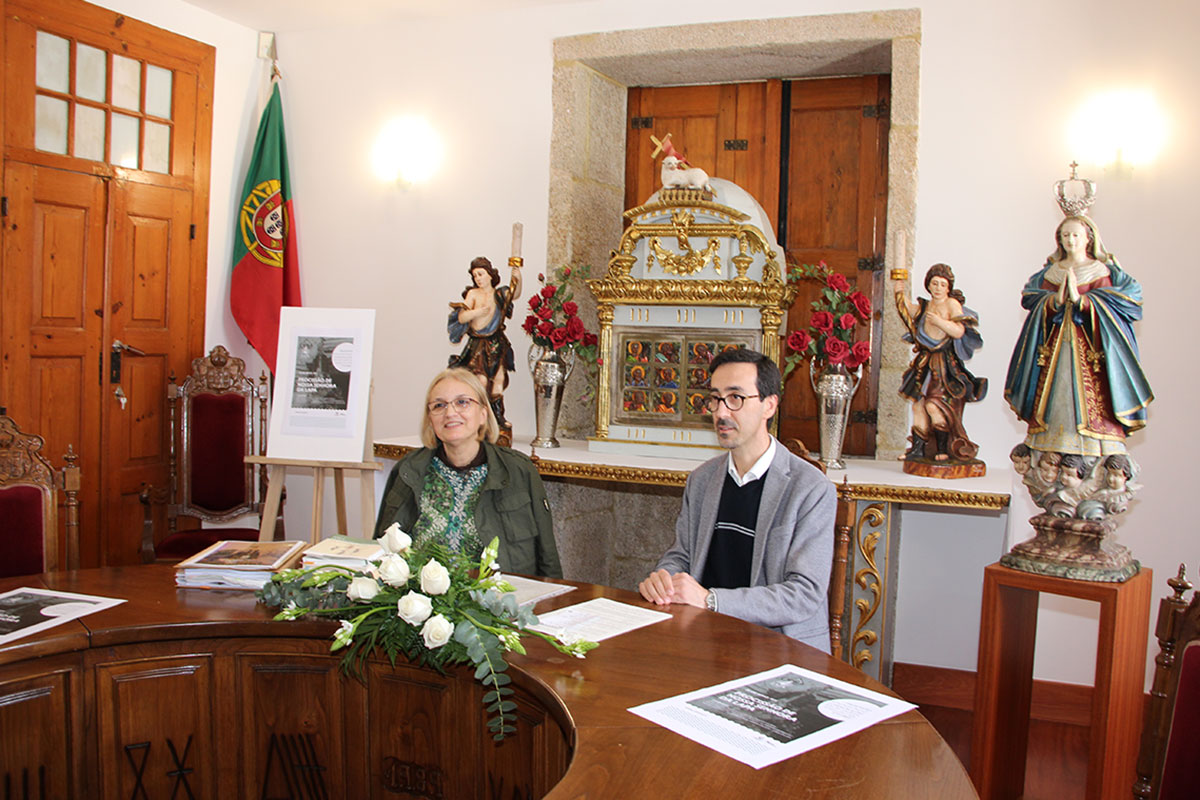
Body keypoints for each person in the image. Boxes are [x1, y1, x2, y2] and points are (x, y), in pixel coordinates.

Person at [637, 348, 836, 651]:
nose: (721, 412)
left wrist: (711, 600)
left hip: (781, 648)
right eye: (715, 398)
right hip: (705, 641)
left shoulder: (811, 488)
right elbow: (682, 556)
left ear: (770, 405)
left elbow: (804, 594)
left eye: (735, 398)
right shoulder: (702, 480)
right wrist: (665, 579)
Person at [374, 368, 561, 577]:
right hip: (422, 602)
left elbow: (547, 556)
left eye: (462, 402)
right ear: (430, 419)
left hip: (500, 601)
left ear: (483, 414)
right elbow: (381, 549)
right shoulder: (408, 471)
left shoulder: (518, 471)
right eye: (439, 405)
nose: (450, 413)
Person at [1004, 215, 1153, 458]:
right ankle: (1053, 436)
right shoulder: (1050, 273)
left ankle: (1096, 439)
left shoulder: (1102, 270)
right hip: (1055, 349)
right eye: (1065, 235)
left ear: (1088, 238)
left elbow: (1127, 300)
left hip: (1091, 349)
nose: (1070, 240)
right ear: (1059, 240)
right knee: (1057, 390)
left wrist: (1084, 301)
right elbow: (1032, 298)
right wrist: (1054, 301)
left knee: (1091, 393)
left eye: (1076, 235)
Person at [893, 264, 987, 462]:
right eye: (934, 283)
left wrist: (939, 322)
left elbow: (959, 331)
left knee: (935, 406)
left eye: (942, 284)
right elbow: (907, 308)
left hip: (943, 364)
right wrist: (899, 287)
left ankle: (942, 449)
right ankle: (917, 449)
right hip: (924, 362)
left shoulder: (951, 304)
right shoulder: (926, 306)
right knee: (918, 405)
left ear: (948, 287)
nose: (937, 288)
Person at [448, 256, 520, 442]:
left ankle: (497, 418)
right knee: (479, 381)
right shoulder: (473, 294)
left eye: (480, 274)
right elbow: (462, 317)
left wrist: (517, 272)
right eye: (475, 276)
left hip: (496, 343)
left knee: (499, 379)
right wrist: (477, 312)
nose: (478, 279)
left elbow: (515, 292)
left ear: (490, 274)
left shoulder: (499, 294)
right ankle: (478, 420)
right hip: (478, 344)